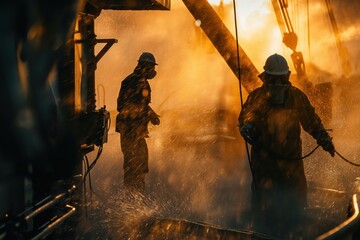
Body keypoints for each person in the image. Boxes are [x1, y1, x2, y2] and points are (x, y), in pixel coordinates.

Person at [238, 53, 335, 234]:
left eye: (280, 79)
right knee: (263, 211)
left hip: (291, 165)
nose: (277, 84)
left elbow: (311, 121)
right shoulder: (257, 98)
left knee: (295, 206)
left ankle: (295, 232)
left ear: (287, 77)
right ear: (266, 78)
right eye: (274, 80)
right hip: (264, 166)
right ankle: (262, 234)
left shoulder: (296, 97)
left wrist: (325, 141)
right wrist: (246, 127)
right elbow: (245, 117)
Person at [116, 52, 160, 194]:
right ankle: (132, 198)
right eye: (151, 67)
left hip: (137, 133)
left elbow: (142, 104)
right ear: (145, 66)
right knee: (133, 167)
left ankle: (137, 196)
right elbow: (123, 106)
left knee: (140, 165)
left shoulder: (140, 81)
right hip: (130, 132)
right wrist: (146, 114)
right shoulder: (133, 82)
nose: (153, 71)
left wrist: (151, 114)